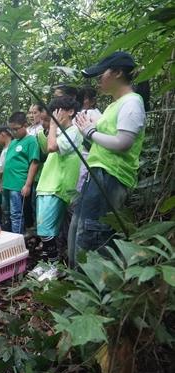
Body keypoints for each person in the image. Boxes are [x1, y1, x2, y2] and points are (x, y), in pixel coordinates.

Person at [70, 51, 147, 265]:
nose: (98, 81)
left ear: (118, 73)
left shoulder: (131, 102)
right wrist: (90, 128)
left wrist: (90, 132)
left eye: (100, 75)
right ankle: (80, 285)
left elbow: (123, 143)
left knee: (93, 234)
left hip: (109, 176)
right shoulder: (115, 104)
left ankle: (94, 290)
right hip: (98, 174)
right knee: (81, 229)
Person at [35, 96, 83, 264]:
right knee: (49, 231)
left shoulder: (74, 131)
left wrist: (53, 126)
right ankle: (50, 264)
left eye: (58, 111)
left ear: (70, 112)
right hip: (49, 185)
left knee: (45, 231)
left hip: (57, 187)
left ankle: (53, 266)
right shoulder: (60, 132)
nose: (54, 115)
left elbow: (51, 147)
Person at [2, 112, 40, 235]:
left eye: (16, 129)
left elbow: (34, 163)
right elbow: (8, 164)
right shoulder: (13, 142)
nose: (13, 132)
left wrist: (28, 185)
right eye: (11, 129)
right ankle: (8, 238)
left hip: (18, 184)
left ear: (25, 125)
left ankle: (16, 241)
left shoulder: (31, 141)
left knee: (16, 214)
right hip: (7, 184)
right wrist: (2, 183)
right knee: (6, 213)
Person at [0, 126, 13, 229]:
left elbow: (3, 169)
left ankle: (8, 230)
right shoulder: (5, 149)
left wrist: (1, 183)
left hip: (5, 184)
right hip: (3, 183)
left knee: (6, 210)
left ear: (2, 135)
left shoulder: (9, 149)